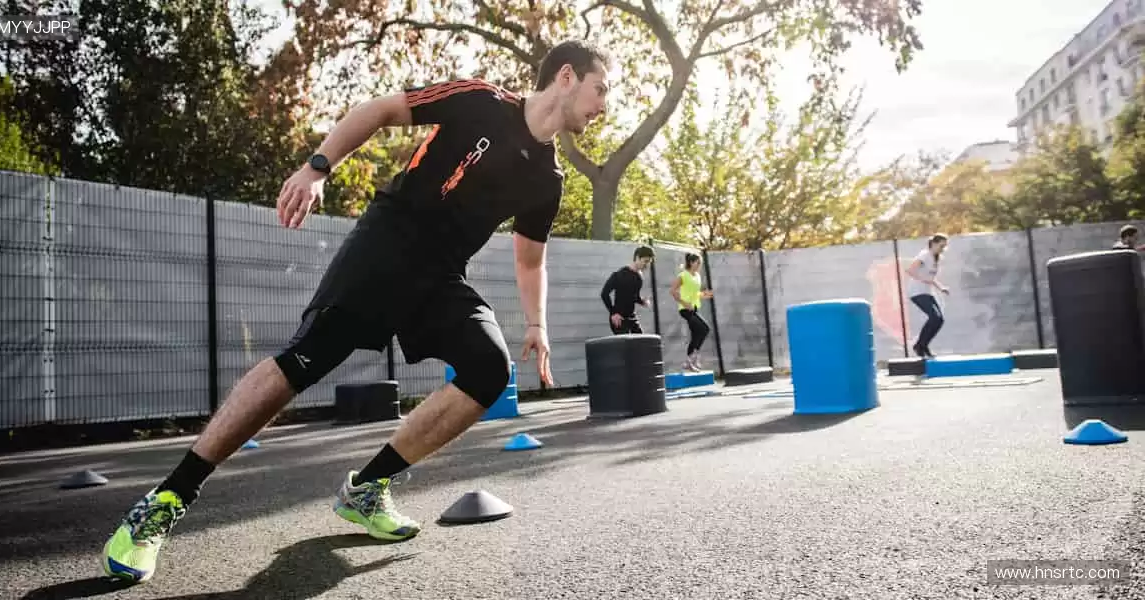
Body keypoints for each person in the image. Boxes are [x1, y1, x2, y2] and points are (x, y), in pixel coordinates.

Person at [100, 40, 612, 584]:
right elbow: (381, 110)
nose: (604, 106)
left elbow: (531, 263)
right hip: (387, 242)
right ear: (565, 76)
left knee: (489, 369)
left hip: (439, 276)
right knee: (304, 360)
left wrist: (536, 324)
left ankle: (367, 488)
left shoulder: (547, 180)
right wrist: (318, 167)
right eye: (600, 89)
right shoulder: (480, 100)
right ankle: (165, 500)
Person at [905, 234, 950, 358]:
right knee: (934, 317)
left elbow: (931, 278)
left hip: (927, 292)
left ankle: (923, 345)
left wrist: (941, 288)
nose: (943, 249)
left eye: (945, 246)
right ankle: (919, 346)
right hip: (916, 291)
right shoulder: (924, 255)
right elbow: (910, 270)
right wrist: (924, 279)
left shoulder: (936, 258)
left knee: (939, 320)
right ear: (934, 244)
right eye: (941, 246)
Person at [669, 253, 713, 371]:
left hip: (694, 308)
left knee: (696, 334)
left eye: (700, 263)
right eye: (698, 262)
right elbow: (672, 291)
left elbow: (694, 293)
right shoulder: (683, 275)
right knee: (705, 329)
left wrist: (704, 295)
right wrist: (684, 303)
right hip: (685, 310)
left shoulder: (697, 276)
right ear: (691, 262)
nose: (700, 265)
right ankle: (692, 357)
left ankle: (689, 361)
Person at [600, 246, 654, 334]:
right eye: (646, 261)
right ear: (637, 258)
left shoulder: (639, 277)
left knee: (642, 343)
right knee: (626, 346)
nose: (647, 265)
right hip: (619, 318)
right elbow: (604, 294)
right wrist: (613, 313)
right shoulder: (619, 275)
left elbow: (633, 296)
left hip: (632, 318)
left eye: (649, 262)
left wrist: (642, 301)